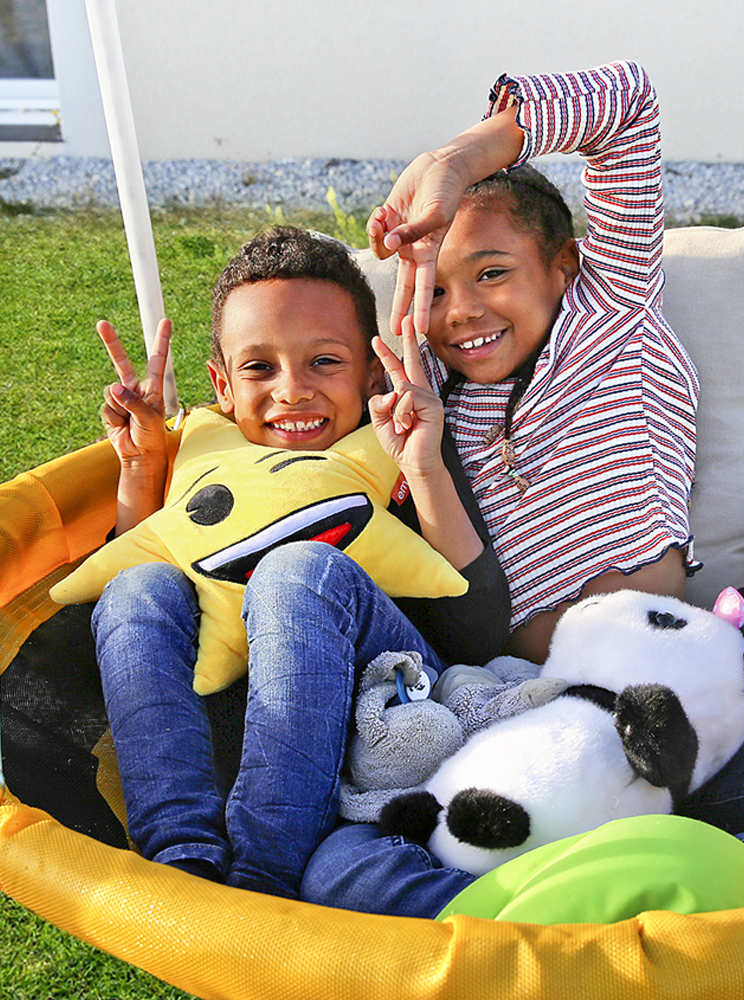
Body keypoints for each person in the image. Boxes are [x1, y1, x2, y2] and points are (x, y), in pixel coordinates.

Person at [300, 61, 744, 915]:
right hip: (518, 722)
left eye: (491, 272)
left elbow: (630, 102)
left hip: (670, 722)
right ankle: (612, 898)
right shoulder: (436, 407)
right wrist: (422, 454)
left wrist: (459, 161)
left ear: (566, 267)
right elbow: (465, 608)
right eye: (439, 290)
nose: (461, 311)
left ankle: (594, 898)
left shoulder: (612, 313)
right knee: (334, 872)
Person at [91, 226, 510, 899]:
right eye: (259, 368)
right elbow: (124, 620)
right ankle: (181, 862)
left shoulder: (396, 445)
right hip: (255, 722)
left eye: (325, 362)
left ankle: (266, 874)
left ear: (372, 371)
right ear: (221, 385)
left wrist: (425, 467)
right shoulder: (207, 459)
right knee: (137, 587)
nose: (292, 391)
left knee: (297, 571)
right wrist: (141, 468)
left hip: (398, 703)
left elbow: (481, 634)